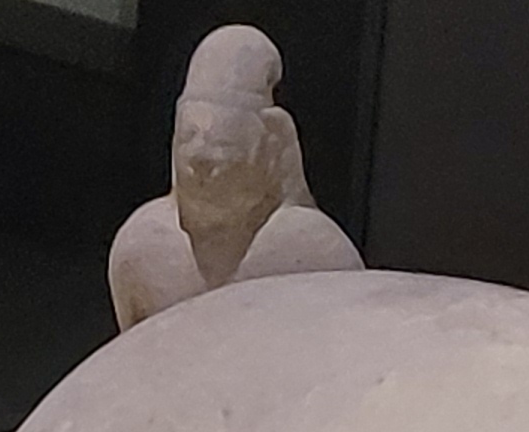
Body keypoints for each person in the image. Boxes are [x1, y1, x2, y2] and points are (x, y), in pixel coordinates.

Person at [104, 24, 357, 330]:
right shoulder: (142, 246)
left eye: (223, 143)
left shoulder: (316, 254)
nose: (199, 158)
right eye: (188, 137)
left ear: (270, 144)